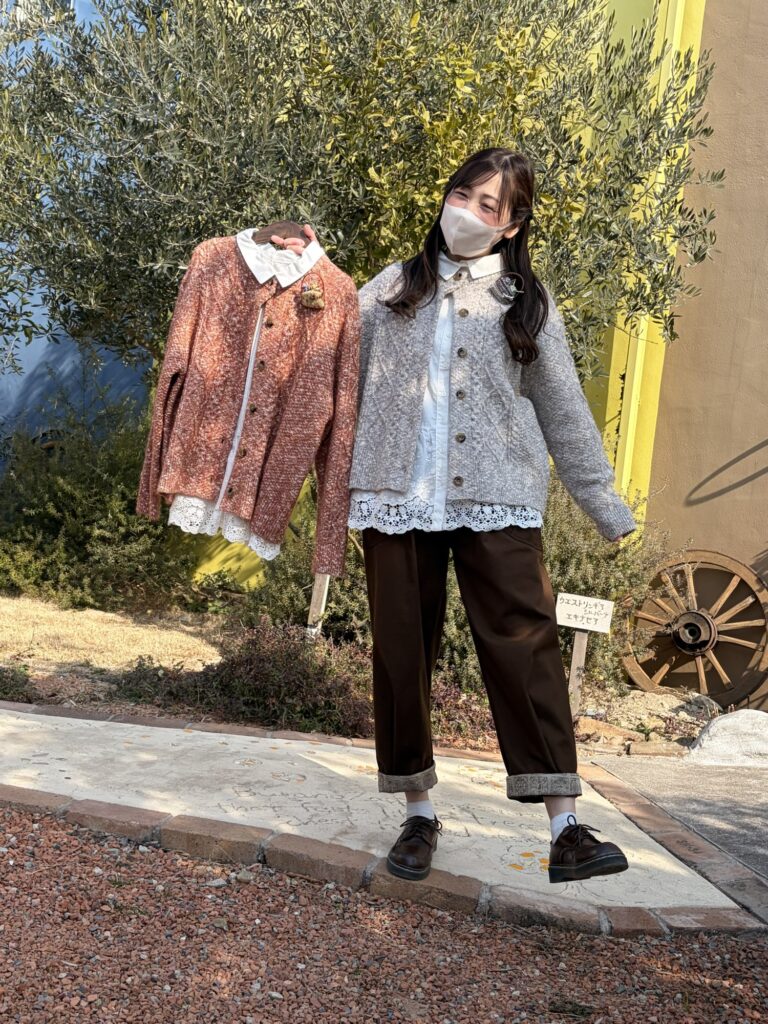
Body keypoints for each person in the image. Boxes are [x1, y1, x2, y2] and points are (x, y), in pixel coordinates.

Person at [270, 147, 636, 884]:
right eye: (462, 194)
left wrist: (605, 506)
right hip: (395, 497)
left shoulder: (525, 303)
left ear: (511, 225)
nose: (467, 211)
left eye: (488, 205)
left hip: (497, 496)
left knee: (526, 646)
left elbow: (564, 411)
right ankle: (418, 813)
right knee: (402, 652)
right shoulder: (391, 287)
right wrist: (301, 270)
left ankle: (565, 826)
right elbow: (325, 343)